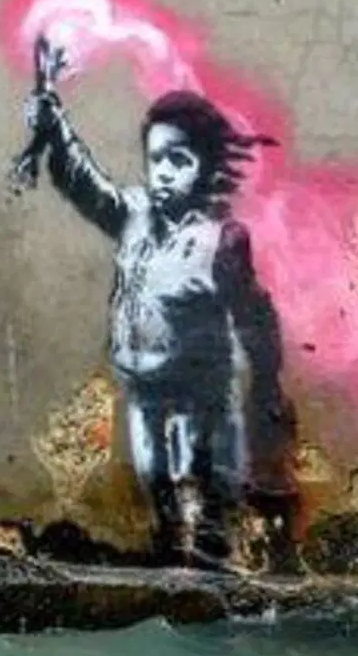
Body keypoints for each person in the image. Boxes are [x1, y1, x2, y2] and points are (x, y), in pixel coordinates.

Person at [22, 67, 295, 566]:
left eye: (179, 160)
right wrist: (53, 122)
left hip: (201, 390)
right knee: (156, 480)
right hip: (143, 386)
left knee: (208, 482)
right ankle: (173, 558)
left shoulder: (221, 239)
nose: (164, 173)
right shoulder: (135, 215)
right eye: (156, 160)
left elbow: (254, 312)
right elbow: (86, 185)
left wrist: (268, 383)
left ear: (207, 169)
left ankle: (216, 569)